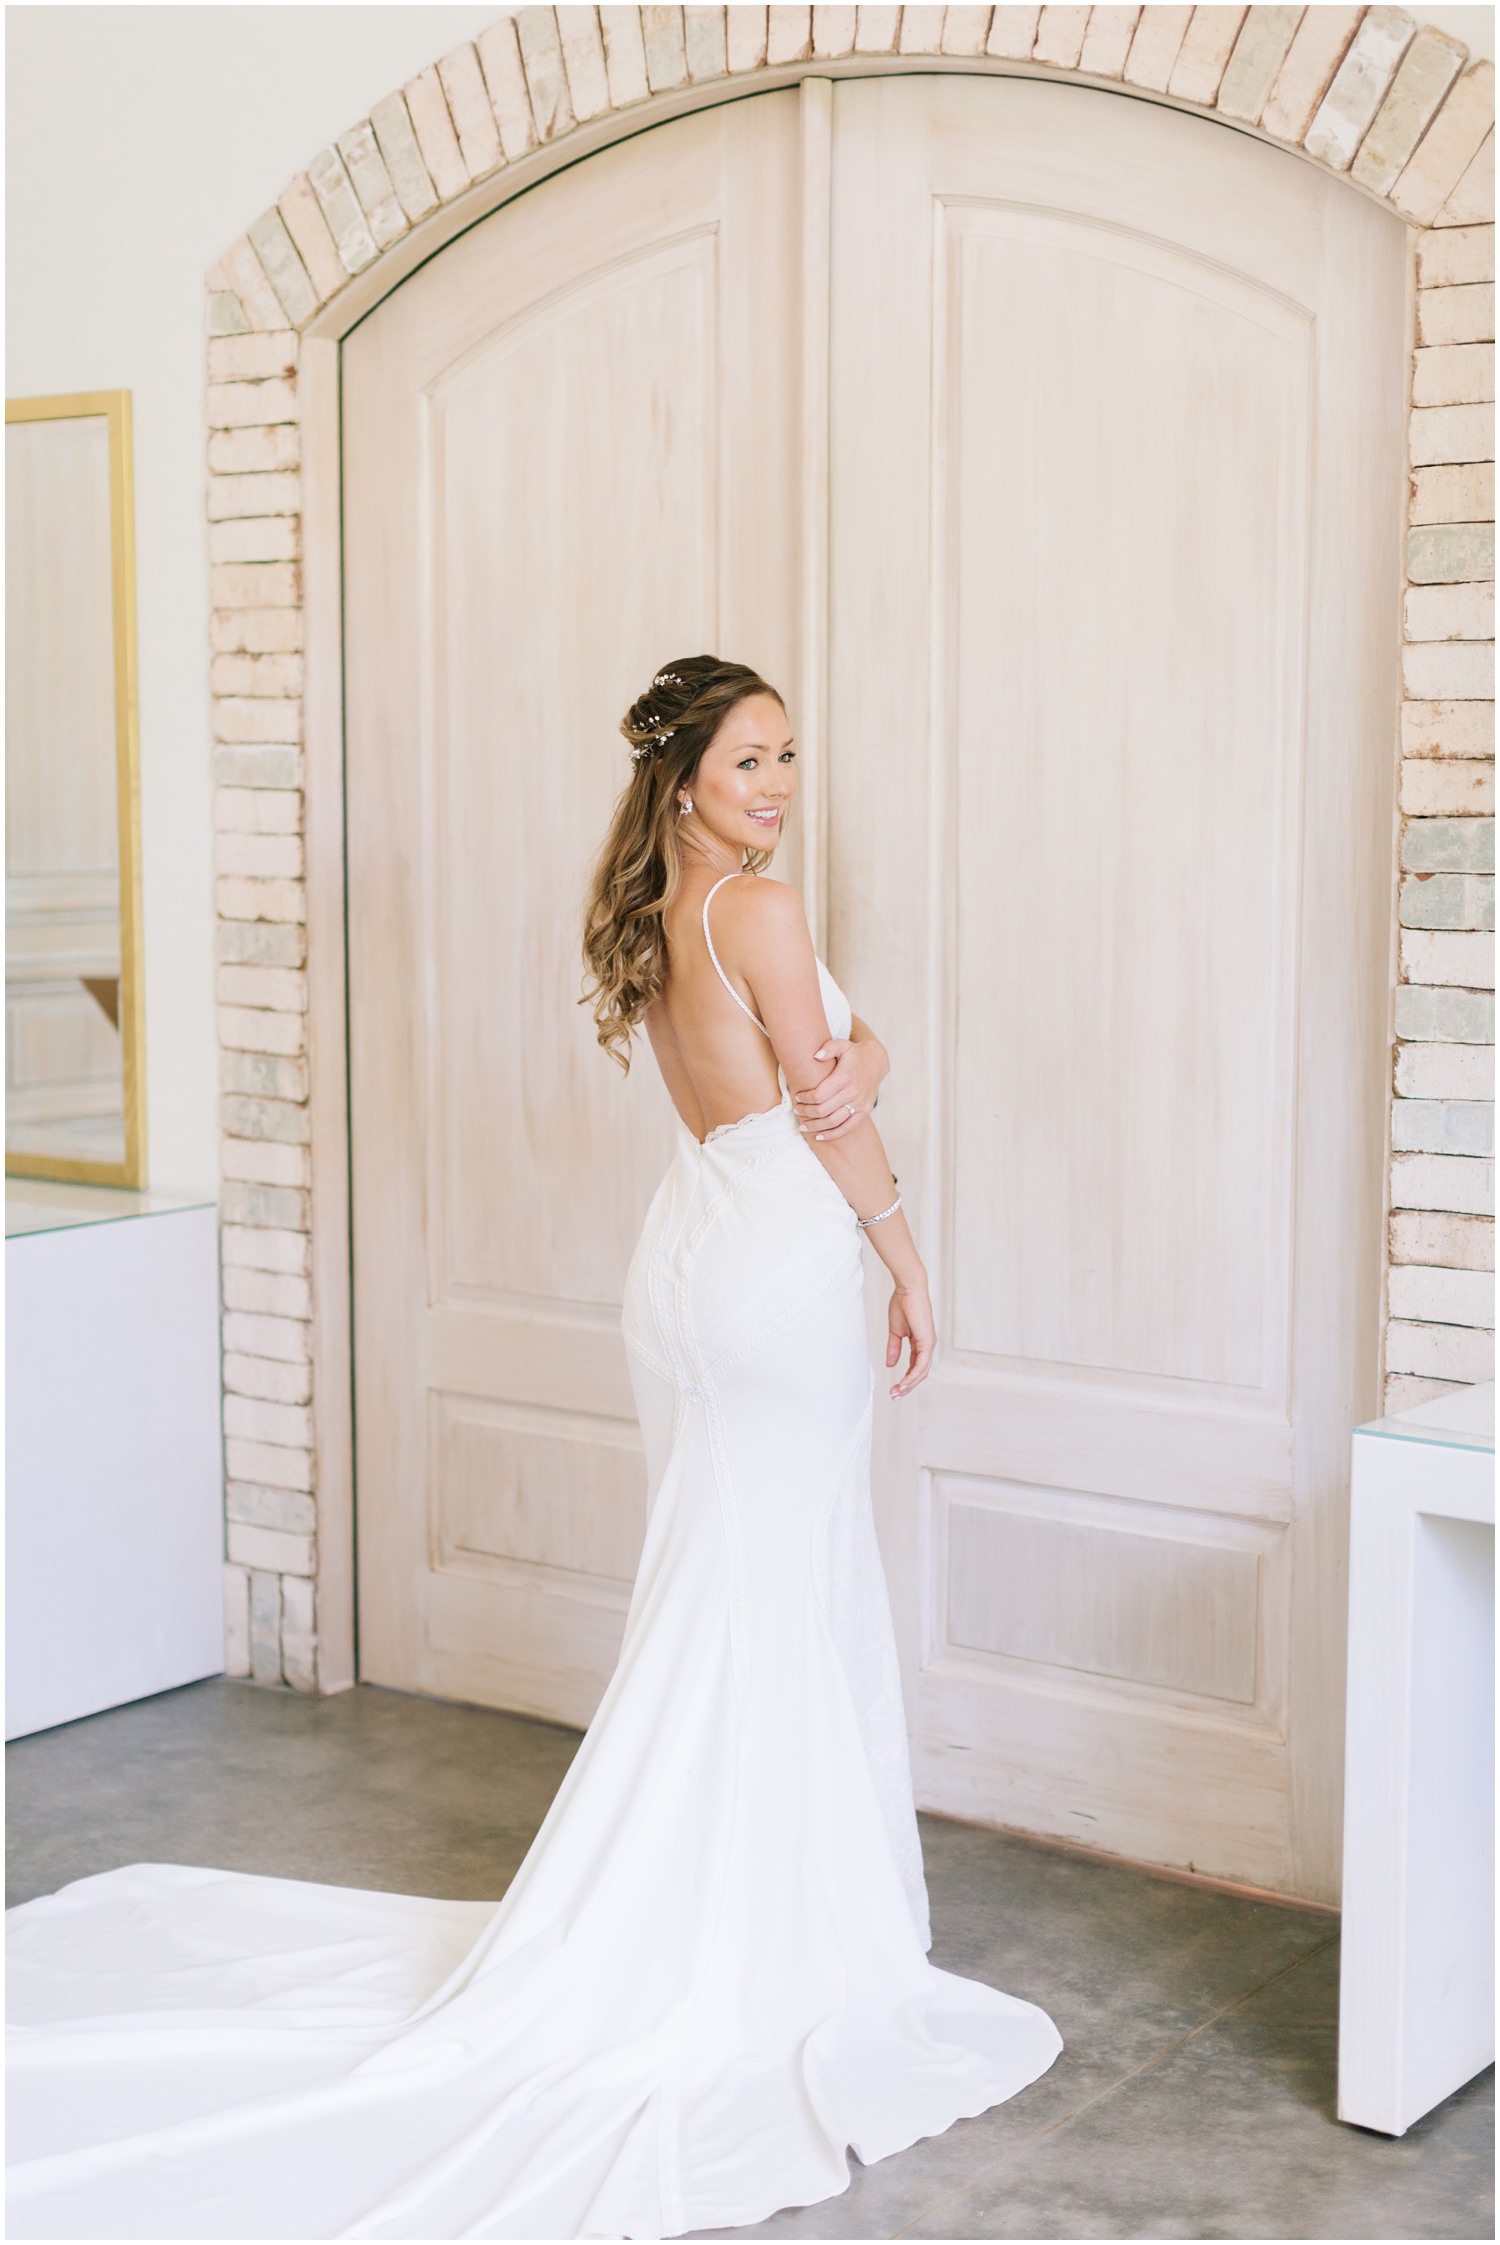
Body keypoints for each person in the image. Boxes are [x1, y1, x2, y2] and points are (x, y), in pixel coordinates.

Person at [6, 657, 1060, 2243]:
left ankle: (707, 1903)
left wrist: (859, 1065)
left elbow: (830, 1063)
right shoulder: (761, 914)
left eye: (790, 757)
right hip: (778, 1276)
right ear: (688, 769)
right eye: (752, 759)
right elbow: (834, 1111)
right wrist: (906, 1257)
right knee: (773, 1598)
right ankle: (757, 1943)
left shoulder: (648, 905)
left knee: (720, 1596)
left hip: (689, 1269)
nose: (778, 784)